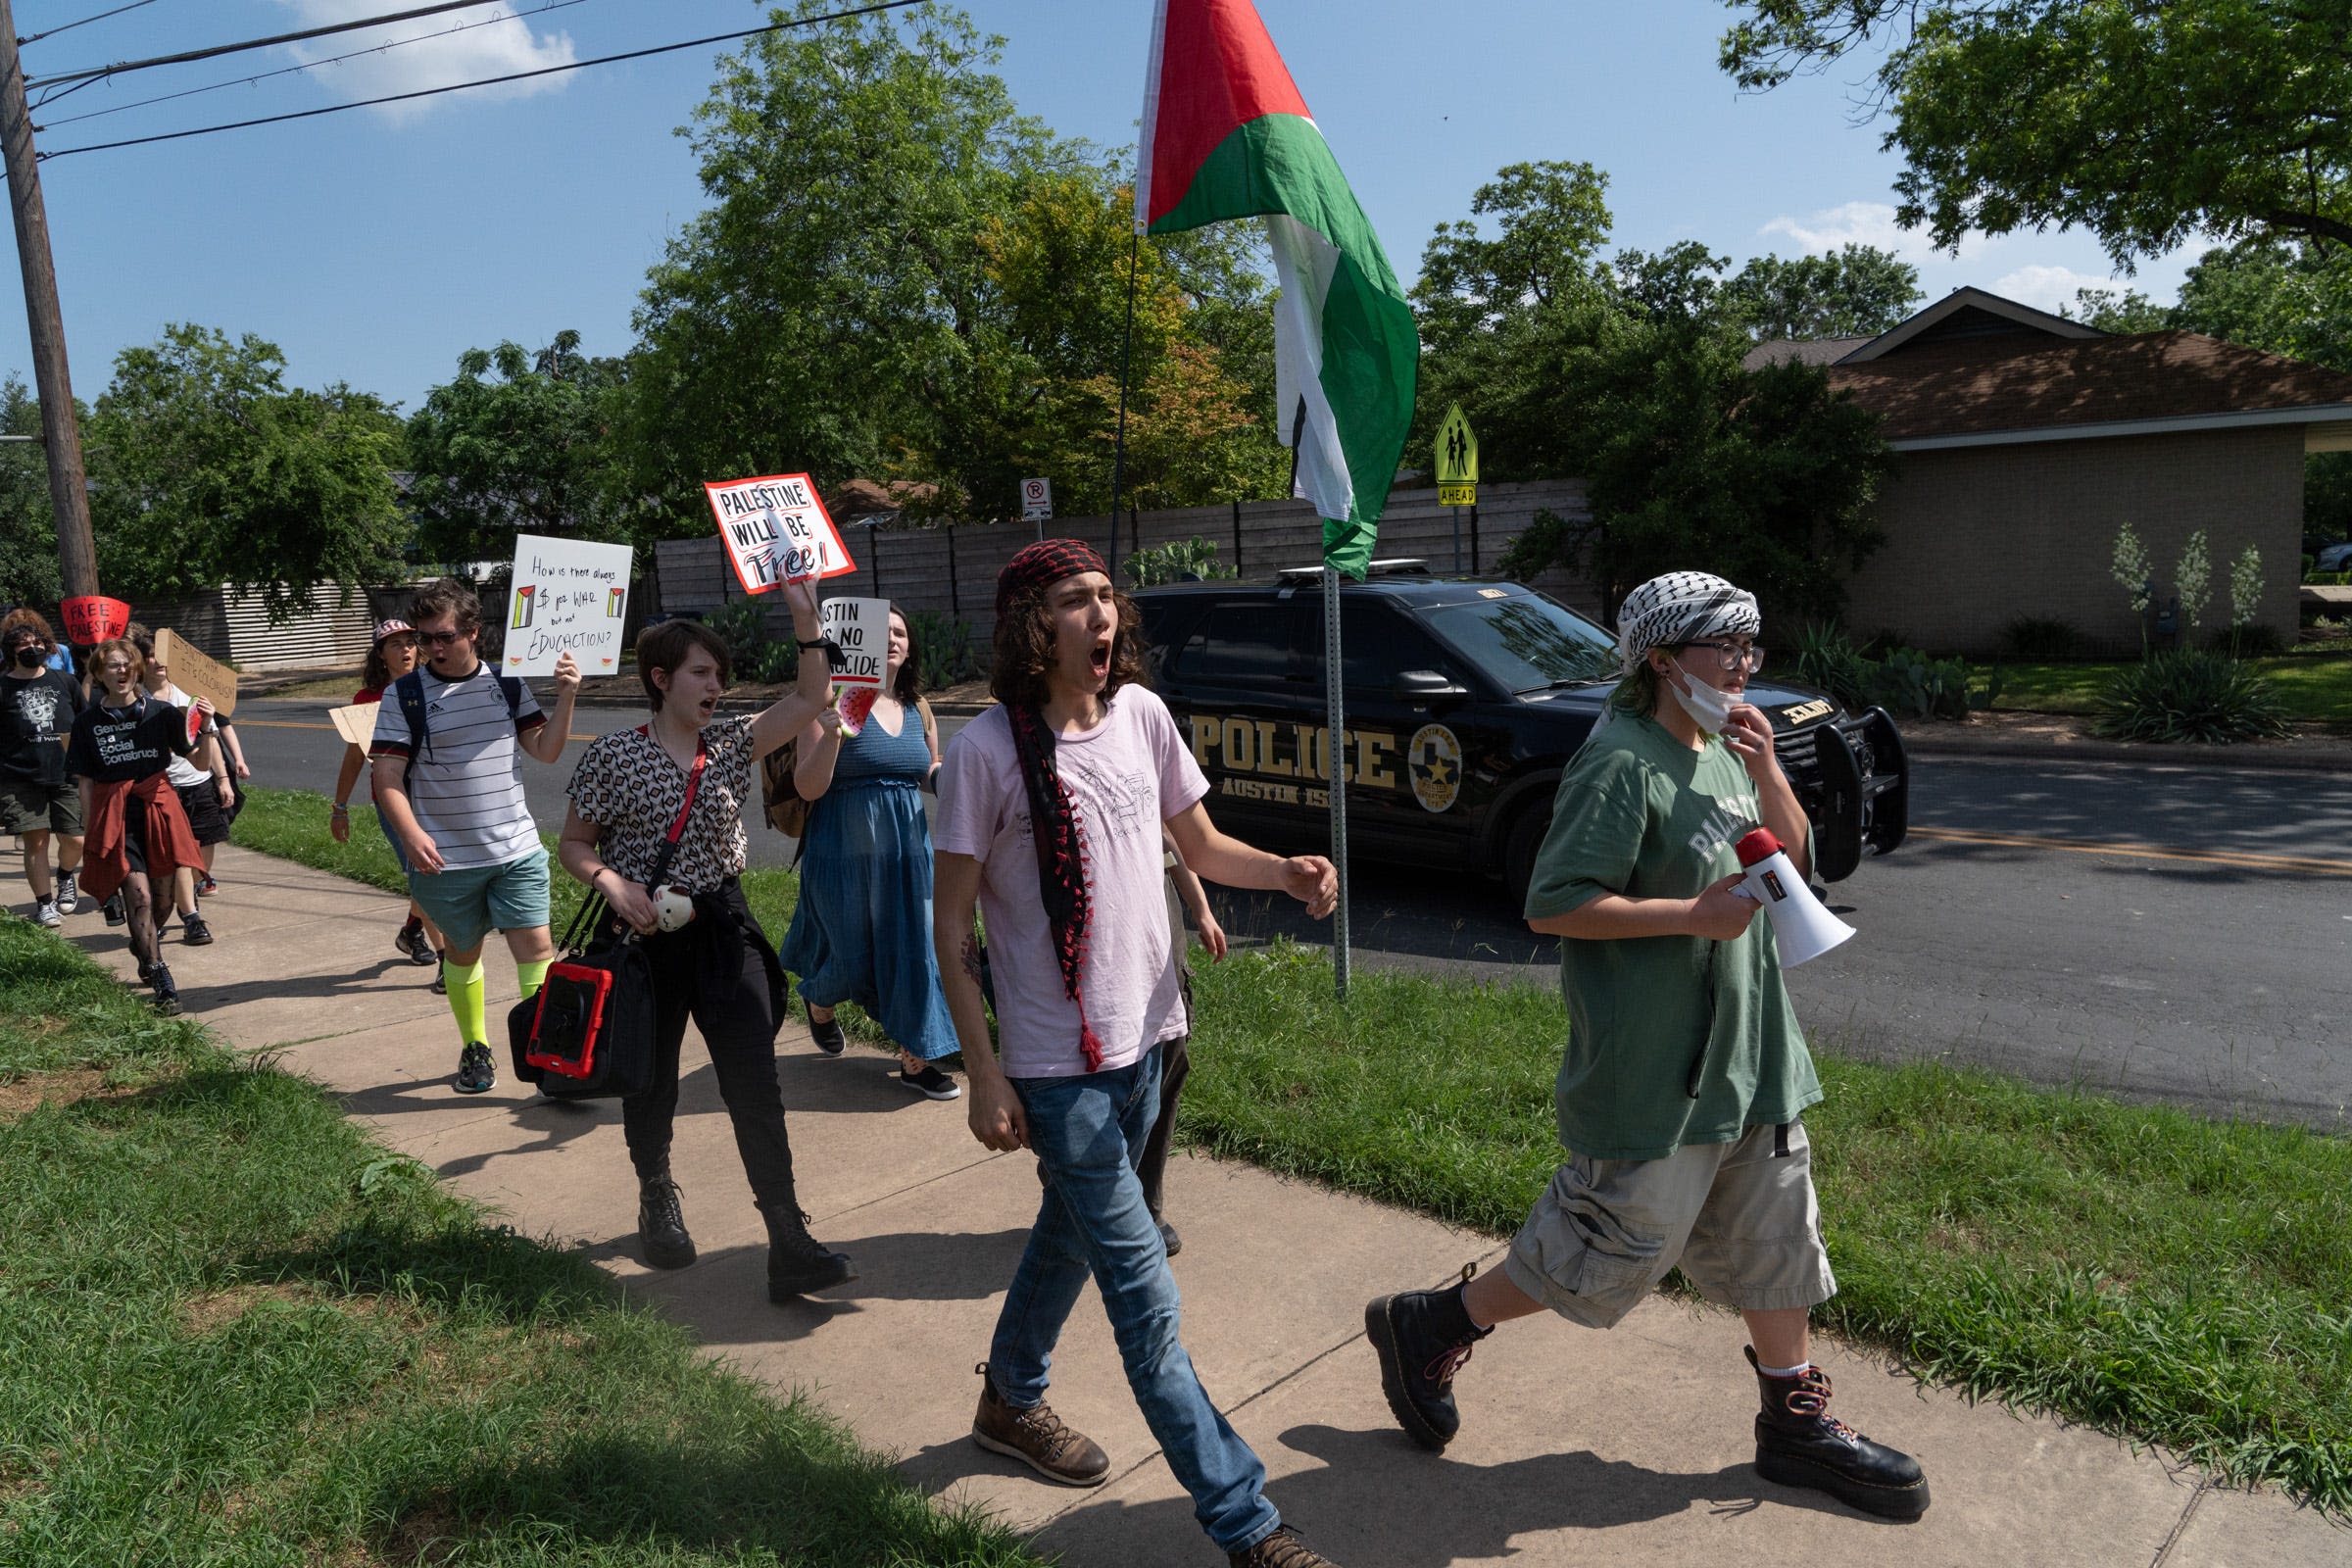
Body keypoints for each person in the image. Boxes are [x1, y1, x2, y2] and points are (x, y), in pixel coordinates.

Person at [1362, 571, 1931, 1522]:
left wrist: (1770, 772)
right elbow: (1552, 901)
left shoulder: (1720, 746)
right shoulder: (1619, 760)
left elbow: (1788, 856)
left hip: (1752, 1044)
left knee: (1776, 1228)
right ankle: (1431, 1322)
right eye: (1726, 648)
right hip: (1658, 1063)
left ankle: (1792, 1421)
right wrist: (1691, 915)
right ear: (1664, 660)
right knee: (1607, 1247)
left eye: (1753, 645)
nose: (1745, 665)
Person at [932, 540, 1348, 1568]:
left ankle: (1007, 1398)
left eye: (1107, 596)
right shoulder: (985, 752)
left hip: (1152, 1043)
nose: (1101, 614)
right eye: (1076, 600)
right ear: (1036, 626)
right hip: (1055, 1067)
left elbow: (1198, 847)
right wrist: (983, 1072)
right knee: (1146, 1307)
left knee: (1068, 1237)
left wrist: (1286, 873)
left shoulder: (1145, 718)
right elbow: (950, 932)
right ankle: (1247, 1522)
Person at [558, 578, 857, 1299]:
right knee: (651, 1076)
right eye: (701, 673)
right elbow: (573, 844)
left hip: (724, 927)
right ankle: (656, 1192)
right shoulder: (612, 757)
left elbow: (814, 696)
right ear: (661, 680)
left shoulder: (730, 741)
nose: (715, 685)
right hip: (641, 939)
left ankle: (786, 1234)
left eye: (720, 674)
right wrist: (610, 884)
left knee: (754, 1080)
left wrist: (802, 613)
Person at [368, 578, 580, 1096]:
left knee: (536, 953)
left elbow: (546, 750)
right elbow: (387, 776)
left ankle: (542, 1053)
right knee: (462, 956)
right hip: (447, 859)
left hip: (516, 850)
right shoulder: (405, 694)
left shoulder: (507, 685)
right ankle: (475, 1048)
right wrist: (411, 832)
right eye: (426, 638)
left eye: (444, 637)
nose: (433, 648)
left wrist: (568, 697)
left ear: (473, 632)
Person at [778, 602, 962, 1100]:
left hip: (907, 852)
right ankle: (820, 1000)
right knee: (852, 956)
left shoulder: (917, 706)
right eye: (883, 632)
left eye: (901, 632)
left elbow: (926, 767)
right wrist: (838, 728)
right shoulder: (823, 703)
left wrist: (952, 780)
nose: (894, 640)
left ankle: (916, 1059)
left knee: (915, 949)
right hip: (841, 851)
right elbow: (809, 786)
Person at [67, 638, 206, 1014]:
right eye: (112, 666)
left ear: (137, 670)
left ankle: (143, 945)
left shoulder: (162, 713)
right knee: (139, 897)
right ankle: (161, 977)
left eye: (127, 664)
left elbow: (202, 762)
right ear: (98, 674)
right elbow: (85, 782)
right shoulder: (86, 723)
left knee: (163, 902)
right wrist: (92, 827)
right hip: (116, 816)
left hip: (157, 810)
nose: (122, 671)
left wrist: (205, 727)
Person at [333, 619, 446, 988]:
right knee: (424, 875)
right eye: (394, 645)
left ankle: (412, 929)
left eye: (410, 642)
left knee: (433, 873)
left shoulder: (436, 686)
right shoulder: (367, 701)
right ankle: (450, 961)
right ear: (381, 655)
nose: (405, 650)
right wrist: (340, 806)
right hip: (394, 801)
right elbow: (354, 757)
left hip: (437, 796)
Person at [1134, 829, 1226, 1257]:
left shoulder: (1143, 761)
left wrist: (1201, 909)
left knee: (1169, 1072)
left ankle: (1147, 1207)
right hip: (1106, 950)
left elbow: (1169, 839)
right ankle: (1078, 1179)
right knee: (1113, 1085)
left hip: (1164, 953)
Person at [130, 627, 233, 947]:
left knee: (203, 850)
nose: (157, 662)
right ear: (140, 662)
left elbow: (210, 739)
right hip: (163, 789)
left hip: (198, 783)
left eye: (161, 656)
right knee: (179, 858)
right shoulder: (135, 701)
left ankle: (186, 900)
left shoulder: (190, 695)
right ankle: (191, 918)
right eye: (149, 656)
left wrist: (223, 779)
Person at [1, 610, 85, 927]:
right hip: (20, 777)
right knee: (36, 842)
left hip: (65, 773)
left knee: (75, 839)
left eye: (36, 642)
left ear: (46, 646)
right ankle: (44, 903)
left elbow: (85, 722)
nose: (31, 648)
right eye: (23, 644)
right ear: (12, 651)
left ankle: (65, 876)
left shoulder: (65, 681)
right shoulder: (2, 687)